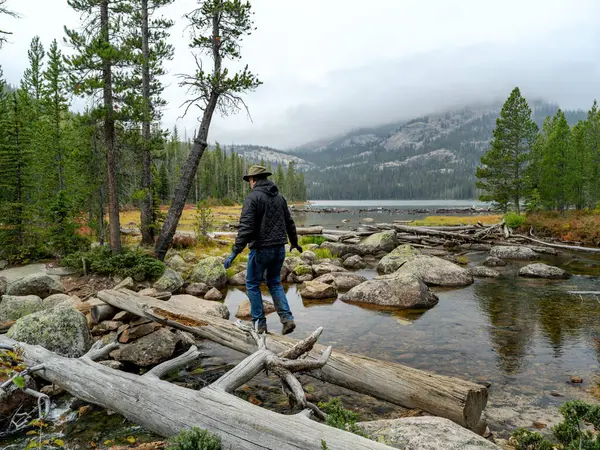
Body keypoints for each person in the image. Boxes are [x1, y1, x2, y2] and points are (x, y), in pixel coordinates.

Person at [223, 165, 302, 335]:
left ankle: (259, 324)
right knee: (274, 283)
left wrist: (234, 252)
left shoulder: (253, 198)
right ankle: (287, 319)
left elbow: (246, 228)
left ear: (253, 180)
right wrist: (294, 242)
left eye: (249, 180)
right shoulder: (279, 198)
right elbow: (290, 223)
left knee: (252, 284)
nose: (249, 183)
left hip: (260, 250)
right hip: (279, 249)